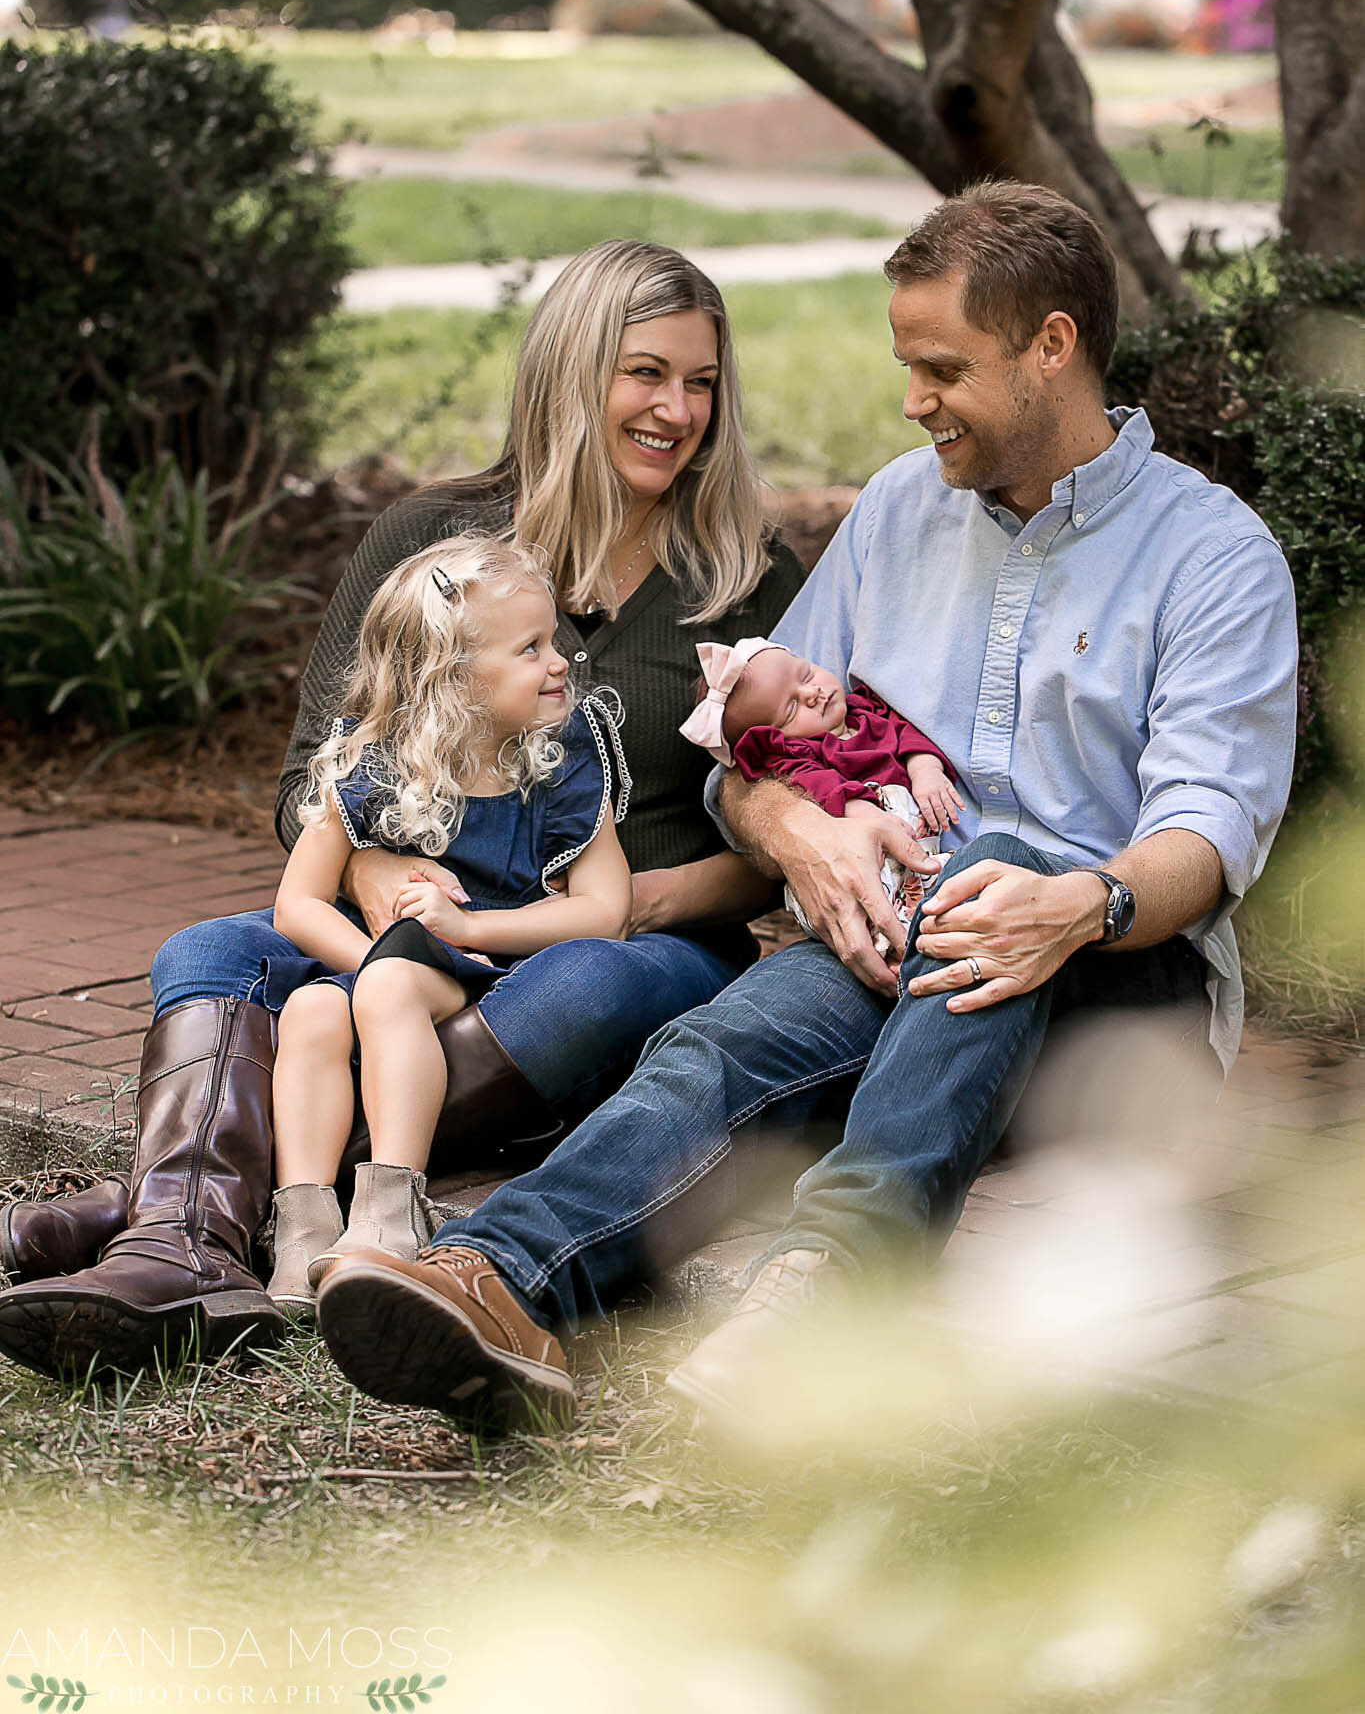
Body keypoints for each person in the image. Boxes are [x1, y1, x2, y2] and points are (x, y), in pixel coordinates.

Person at [309, 181, 1299, 1433]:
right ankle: (493, 1277)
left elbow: (1205, 842)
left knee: (989, 866)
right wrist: (798, 828)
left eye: (941, 367)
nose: (910, 400)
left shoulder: (1213, 556)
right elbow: (743, 749)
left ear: (1052, 346)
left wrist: (1076, 898)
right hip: (897, 936)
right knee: (712, 1050)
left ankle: (829, 1287)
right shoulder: (897, 509)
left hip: (1113, 970)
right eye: (905, 364)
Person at [0, 241, 804, 1382]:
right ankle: (181, 1244)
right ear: (570, 373)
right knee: (215, 947)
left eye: (703, 381)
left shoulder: (747, 577)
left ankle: (175, 1210)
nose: (679, 409)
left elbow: (779, 837)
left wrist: (628, 902)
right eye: (646, 373)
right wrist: (374, 877)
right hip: (416, 932)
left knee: (589, 978)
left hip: (637, 942)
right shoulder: (428, 547)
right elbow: (307, 782)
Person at [265, 534, 632, 1312]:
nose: (560, 661)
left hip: (503, 971)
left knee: (390, 990)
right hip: (394, 965)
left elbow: (606, 910)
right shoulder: (371, 762)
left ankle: (390, 1210)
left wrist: (464, 936)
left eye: (554, 640)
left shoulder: (560, 759)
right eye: (531, 648)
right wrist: (375, 966)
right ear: (453, 682)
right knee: (310, 1008)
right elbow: (295, 905)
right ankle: (301, 1225)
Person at [680, 634, 960, 945]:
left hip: (921, 846)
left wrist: (925, 768)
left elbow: (906, 733)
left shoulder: (869, 709)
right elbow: (818, 785)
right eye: (790, 709)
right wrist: (858, 808)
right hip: (862, 862)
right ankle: (888, 942)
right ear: (771, 738)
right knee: (864, 899)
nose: (812, 694)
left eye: (806, 674)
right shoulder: (797, 755)